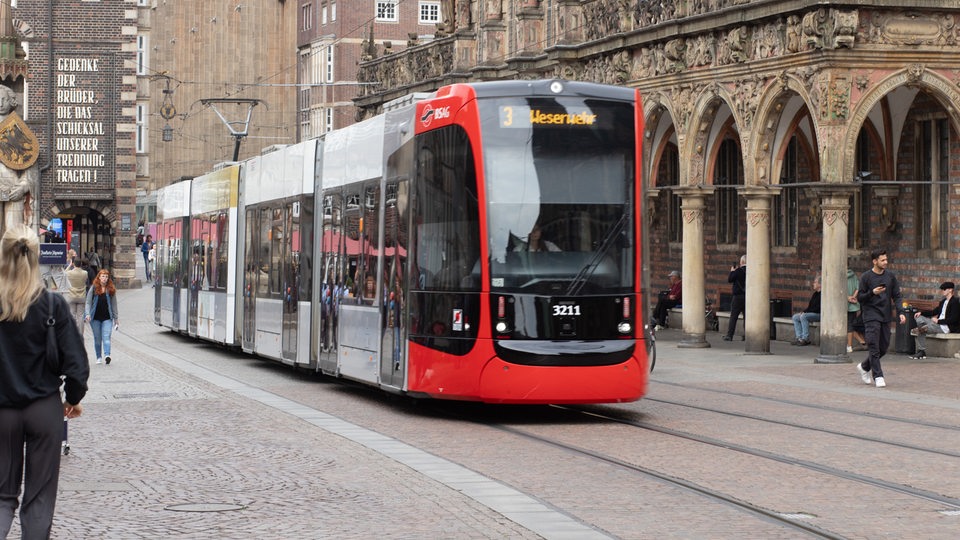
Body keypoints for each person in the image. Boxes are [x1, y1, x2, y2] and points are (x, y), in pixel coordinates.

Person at [0, 224, 88, 540]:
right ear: (36, 257)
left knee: (1, 495)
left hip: (2, 412)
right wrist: (73, 398)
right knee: (39, 498)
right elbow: (77, 365)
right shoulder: (52, 305)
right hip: (43, 409)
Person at [855, 249, 906, 388]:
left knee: (883, 347)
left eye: (886, 259)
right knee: (873, 345)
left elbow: (897, 295)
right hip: (871, 315)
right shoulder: (866, 277)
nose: (886, 262)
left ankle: (865, 367)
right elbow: (860, 297)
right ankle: (878, 376)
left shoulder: (890, 277)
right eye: (882, 260)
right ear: (875, 261)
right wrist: (872, 292)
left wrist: (901, 311)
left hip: (886, 315)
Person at [909, 281, 960, 359]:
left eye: (944, 289)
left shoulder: (955, 302)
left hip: (944, 327)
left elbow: (954, 319)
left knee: (920, 330)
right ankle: (924, 330)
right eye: (942, 289)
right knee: (919, 318)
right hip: (936, 324)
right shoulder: (943, 302)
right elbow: (933, 312)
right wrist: (921, 313)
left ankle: (921, 351)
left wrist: (938, 321)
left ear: (950, 290)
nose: (942, 291)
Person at [84, 269, 120, 365]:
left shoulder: (111, 289)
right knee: (97, 338)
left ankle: (107, 355)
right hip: (95, 318)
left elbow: (114, 305)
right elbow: (88, 302)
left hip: (107, 318)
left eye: (106, 277)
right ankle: (98, 357)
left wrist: (116, 319)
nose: (104, 278)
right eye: (103, 276)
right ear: (99, 277)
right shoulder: (94, 288)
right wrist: (87, 314)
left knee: (106, 337)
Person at [791, 275, 821, 346]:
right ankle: (799, 338)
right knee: (795, 317)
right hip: (811, 313)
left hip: (819, 314)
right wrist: (804, 311)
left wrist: (806, 313)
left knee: (803, 316)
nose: (813, 284)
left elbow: (818, 308)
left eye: (815, 282)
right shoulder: (815, 294)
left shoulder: (823, 294)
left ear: (820, 284)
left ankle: (805, 339)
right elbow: (810, 306)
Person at [64, 253, 89, 336]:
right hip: (81, 296)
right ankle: (80, 333)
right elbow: (85, 281)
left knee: (72, 315)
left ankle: (72, 333)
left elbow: (64, 273)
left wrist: (69, 265)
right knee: (80, 316)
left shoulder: (70, 273)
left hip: (71, 296)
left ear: (74, 263)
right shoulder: (85, 273)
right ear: (81, 264)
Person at [723, 255, 746, 341]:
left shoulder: (738, 271)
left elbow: (730, 279)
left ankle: (729, 335)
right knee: (747, 317)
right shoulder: (751, 270)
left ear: (742, 262)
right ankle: (747, 334)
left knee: (733, 316)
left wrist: (732, 271)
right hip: (747, 297)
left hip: (738, 297)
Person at [846, 266, 867, 353]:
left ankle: (850, 345)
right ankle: (855, 344)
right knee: (850, 324)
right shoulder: (853, 275)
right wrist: (853, 297)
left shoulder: (839, 275)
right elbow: (858, 288)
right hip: (853, 303)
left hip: (843, 303)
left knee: (846, 325)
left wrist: (847, 297)